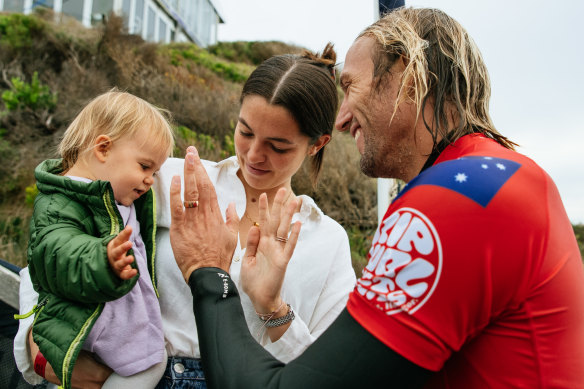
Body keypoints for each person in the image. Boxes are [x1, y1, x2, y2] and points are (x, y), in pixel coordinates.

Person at [169, 7, 584, 388]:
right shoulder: (506, 176)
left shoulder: (453, 200)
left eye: (350, 87)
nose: (343, 117)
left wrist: (209, 272)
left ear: (408, 74)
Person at [14, 45, 356, 388]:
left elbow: (331, 373)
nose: (253, 154)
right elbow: (58, 233)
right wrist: (40, 348)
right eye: (246, 131)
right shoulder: (170, 180)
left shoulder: (327, 243)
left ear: (317, 144)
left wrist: (273, 308)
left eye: (278, 146)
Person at [16, 90, 174, 389]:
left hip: (119, 332)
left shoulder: (119, 200)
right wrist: (102, 258)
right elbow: (56, 250)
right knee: (149, 365)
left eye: (155, 171)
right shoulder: (60, 201)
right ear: (103, 148)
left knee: (152, 363)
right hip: (83, 329)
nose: (150, 180)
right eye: (144, 166)